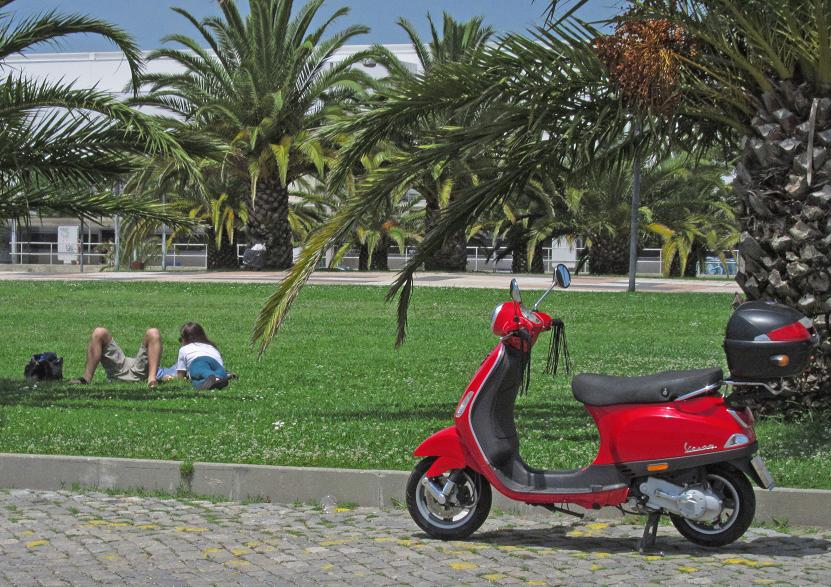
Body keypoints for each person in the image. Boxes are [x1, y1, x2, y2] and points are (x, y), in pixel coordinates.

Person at [70, 327, 162, 388]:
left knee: (153, 332)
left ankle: (152, 380)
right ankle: (86, 379)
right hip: (117, 371)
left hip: (141, 372)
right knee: (99, 332)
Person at [175, 322, 232, 390]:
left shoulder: (183, 349)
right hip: (218, 366)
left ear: (185, 338)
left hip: (199, 362)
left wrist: (180, 377)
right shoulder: (211, 346)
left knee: (200, 372)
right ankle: (219, 379)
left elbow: (180, 375)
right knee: (197, 380)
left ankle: (211, 377)